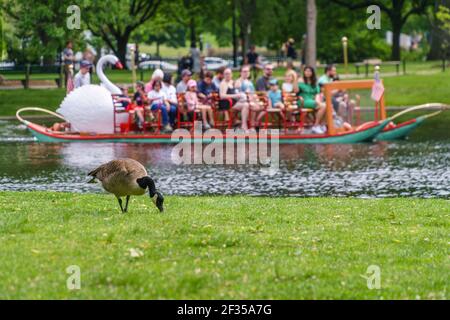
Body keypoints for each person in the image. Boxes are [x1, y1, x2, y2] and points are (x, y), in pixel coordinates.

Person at [298, 66, 327, 134]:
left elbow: (317, 93)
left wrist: (317, 100)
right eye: (306, 71)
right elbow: (296, 91)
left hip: (313, 101)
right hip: (303, 100)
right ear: (304, 72)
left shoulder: (314, 82)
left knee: (326, 106)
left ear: (312, 73)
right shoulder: (300, 80)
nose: (308, 72)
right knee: (323, 106)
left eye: (309, 71)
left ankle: (321, 124)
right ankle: (316, 125)